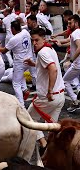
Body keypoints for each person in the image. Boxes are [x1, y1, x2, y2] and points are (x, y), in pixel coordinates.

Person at [24, 27, 65, 155]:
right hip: (60, 97)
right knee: (52, 127)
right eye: (32, 41)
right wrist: (33, 63)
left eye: (37, 40)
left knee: (29, 119)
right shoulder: (49, 48)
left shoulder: (42, 53)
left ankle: (43, 144)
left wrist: (49, 91)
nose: (34, 43)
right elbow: (45, 67)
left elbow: (53, 69)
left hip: (48, 98)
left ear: (44, 39)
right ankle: (52, 152)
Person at [0, 20, 36, 107]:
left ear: (13, 29)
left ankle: (21, 105)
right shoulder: (25, 32)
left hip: (20, 62)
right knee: (20, 76)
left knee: (16, 83)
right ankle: (25, 90)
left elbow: (4, 51)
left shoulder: (14, 39)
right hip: (29, 59)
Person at [52, 15, 80, 112]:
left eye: (70, 23)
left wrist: (71, 60)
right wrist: (58, 41)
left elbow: (79, 47)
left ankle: (76, 101)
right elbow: (69, 41)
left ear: (76, 23)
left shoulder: (76, 33)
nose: (68, 25)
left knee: (65, 81)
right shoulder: (76, 33)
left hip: (77, 64)